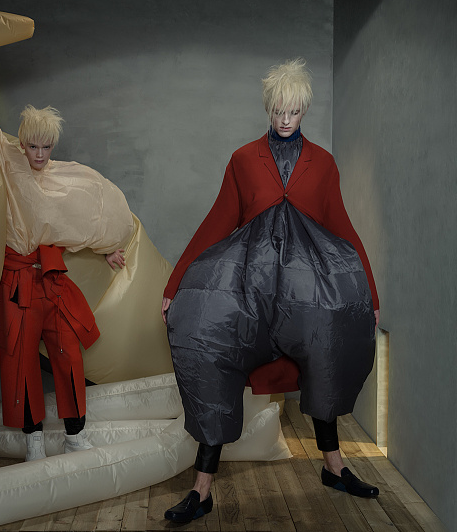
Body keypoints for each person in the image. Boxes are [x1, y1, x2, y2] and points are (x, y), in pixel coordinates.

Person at [161, 59, 380, 522]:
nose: (285, 120)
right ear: (268, 108)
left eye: (293, 112)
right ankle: (201, 490)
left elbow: (342, 227)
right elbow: (217, 221)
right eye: (278, 111)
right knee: (209, 341)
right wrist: (175, 282)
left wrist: (371, 298)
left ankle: (334, 467)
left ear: (305, 110)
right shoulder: (244, 160)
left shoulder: (323, 164)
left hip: (308, 290)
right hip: (250, 288)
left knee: (327, 344)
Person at [0, 105, 130, 461]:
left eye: (46, 147)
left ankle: (75, 435)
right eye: (33, 146)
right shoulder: (9, 163)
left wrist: (108, 248)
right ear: (22, 144)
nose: (39, 154)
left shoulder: (63, 178)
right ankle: (33, 441)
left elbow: (86, 214)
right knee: (21, 361)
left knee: (69, 355)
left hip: (51, 281)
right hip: (18, 284)